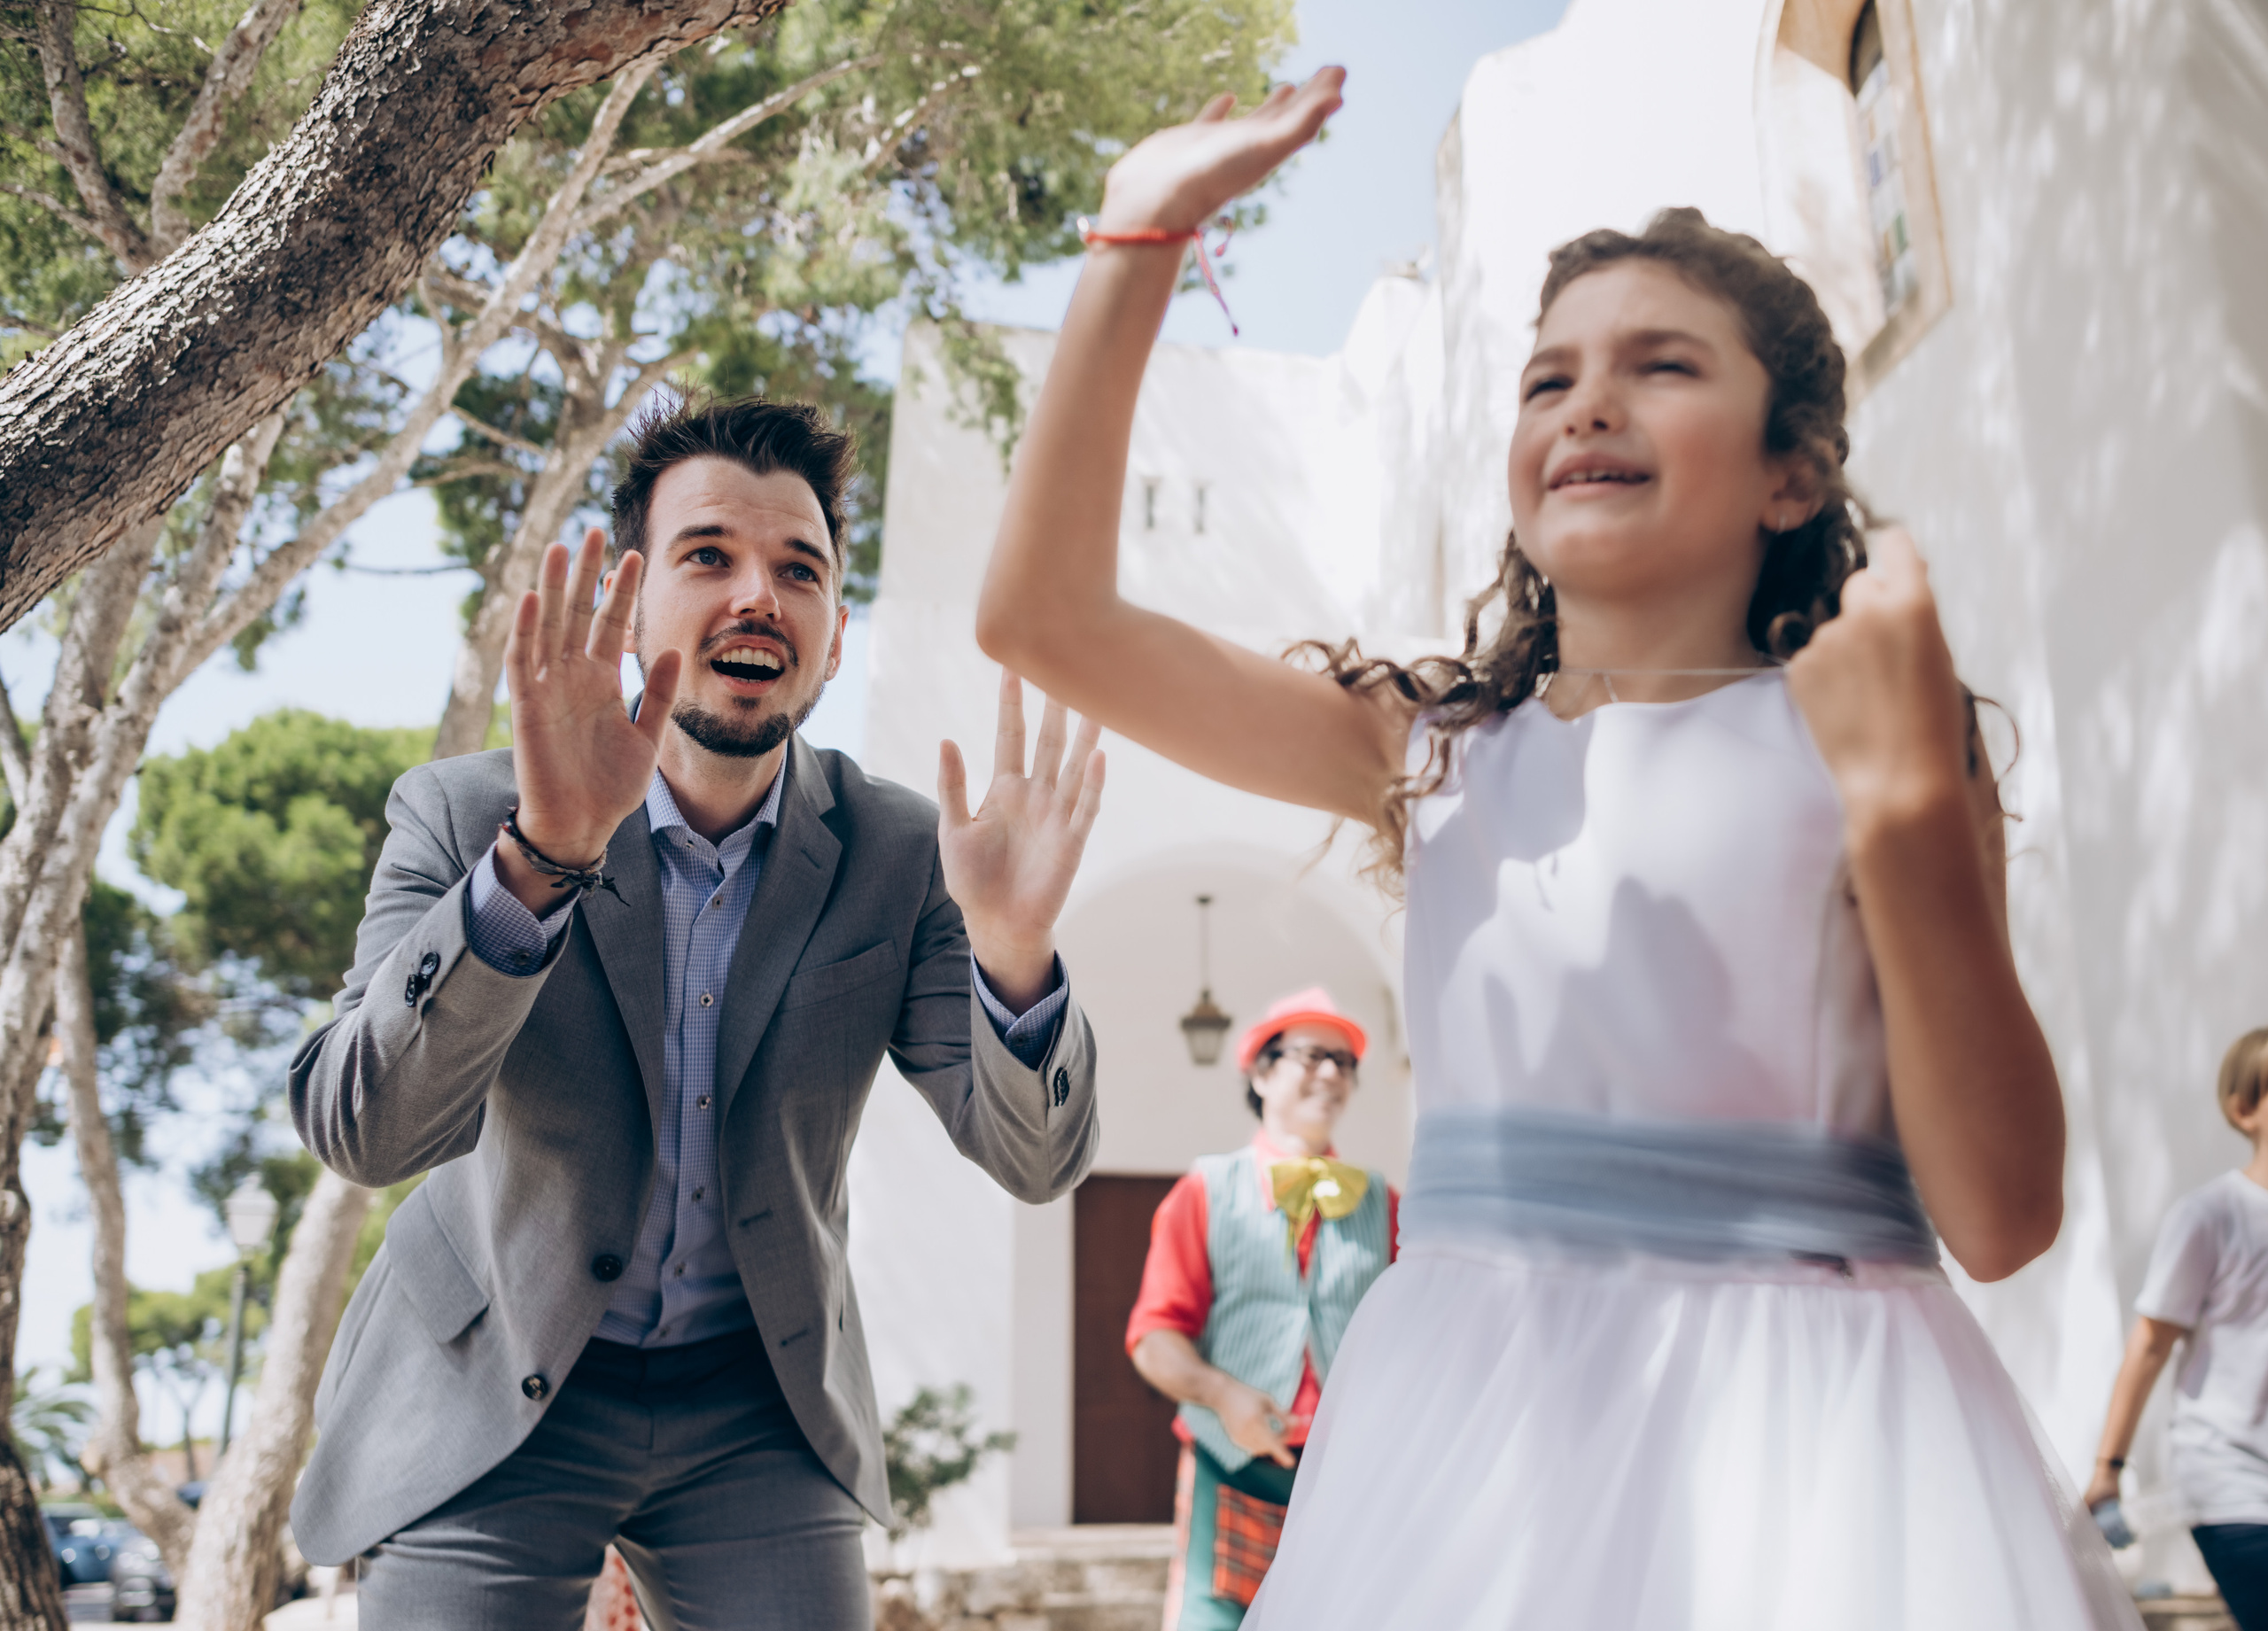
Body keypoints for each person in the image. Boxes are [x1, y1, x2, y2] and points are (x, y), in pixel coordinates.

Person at [974, 69, 2140, 1629]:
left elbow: (2001, 1218)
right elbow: (1043, 620)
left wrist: (1910, 805)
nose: (1590, 403)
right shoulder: (1433, 751)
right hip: (1468, 1449)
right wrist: (1140, 231)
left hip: (1816, 1457)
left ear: (1794, 473)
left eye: (1663, 367)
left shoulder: (1878, 745)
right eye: (1548, 379)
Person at [286, 396, 1107, 1629]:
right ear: (631, 602)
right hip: (489, 1378)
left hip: (756, 1402)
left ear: (832, 638)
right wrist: (540, 860)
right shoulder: (463, 814)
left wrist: (1018, 951)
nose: (758, 597)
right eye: (709, 556)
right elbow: (364, 1131)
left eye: (801, 571)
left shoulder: (902, 856)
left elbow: (1037, 1160)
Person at [1126, 989, 1399, 1629]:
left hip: (1349, 1472)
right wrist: (1223, 1394)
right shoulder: (1205, 1190)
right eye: (1311, 1055)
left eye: (1344, 1061)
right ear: (1260, 1071)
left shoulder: (1384, 1202)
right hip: (1233, 1467)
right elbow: (1155, 1335)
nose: (1331, 1073)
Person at [2087, 1029, 2268, 1629]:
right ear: (2245, 1108)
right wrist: (2107, 1470)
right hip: (2231, 1482)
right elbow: (2150, 1345)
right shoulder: (2211, 1215)